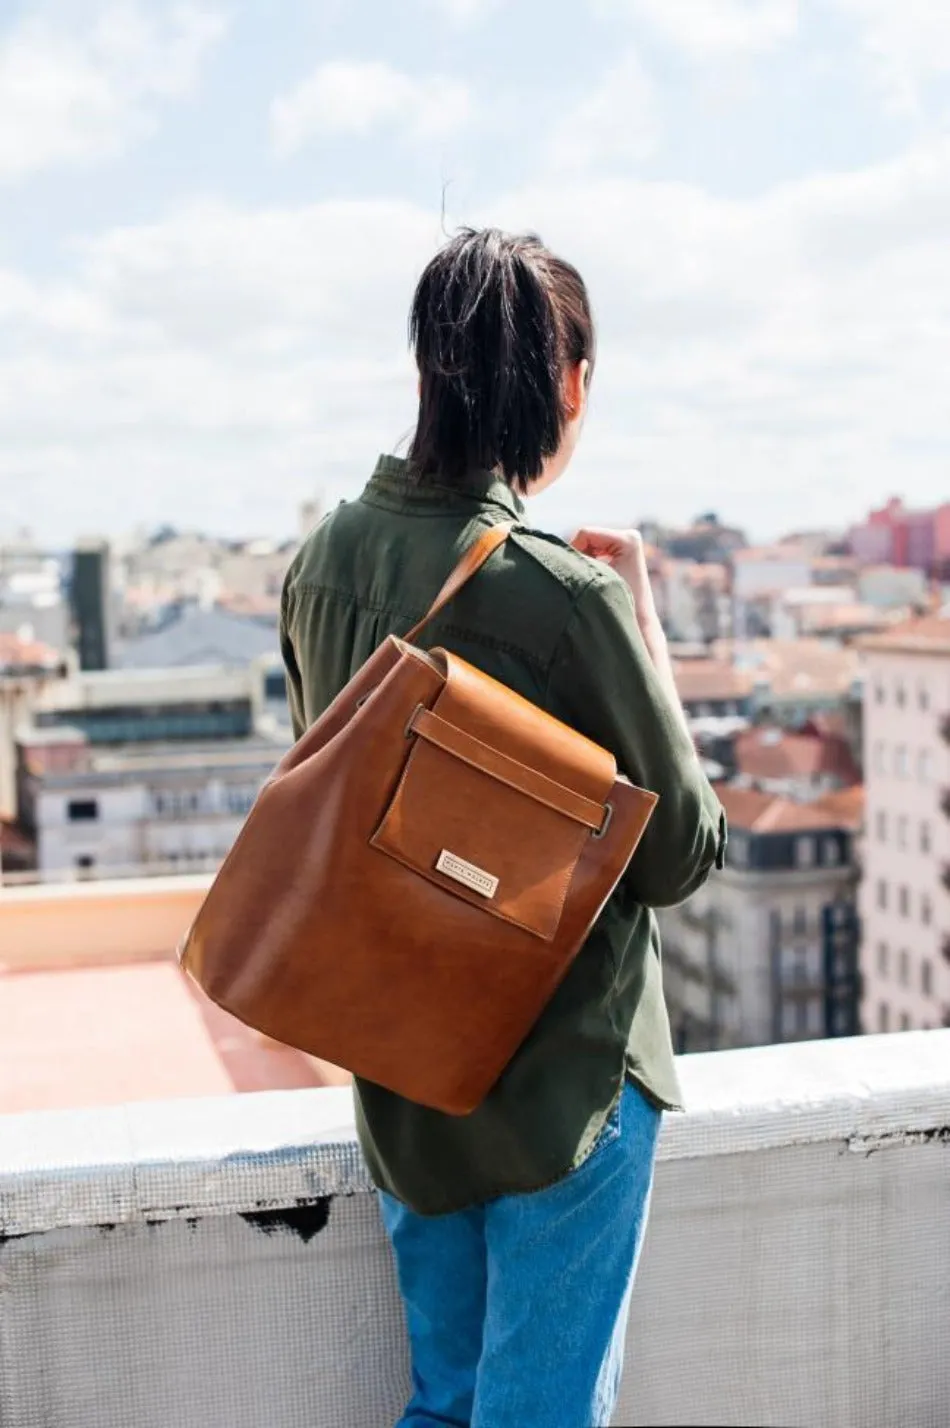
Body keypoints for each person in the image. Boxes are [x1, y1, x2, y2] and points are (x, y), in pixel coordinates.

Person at [280, 227, 727, 1428]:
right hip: (562, 1077)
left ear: (427, 369)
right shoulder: (565, 598)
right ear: (568, 383)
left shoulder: (322, 562)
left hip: (403, 1066)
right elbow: (684, 851)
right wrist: (641, 627)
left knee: (447, 1403)